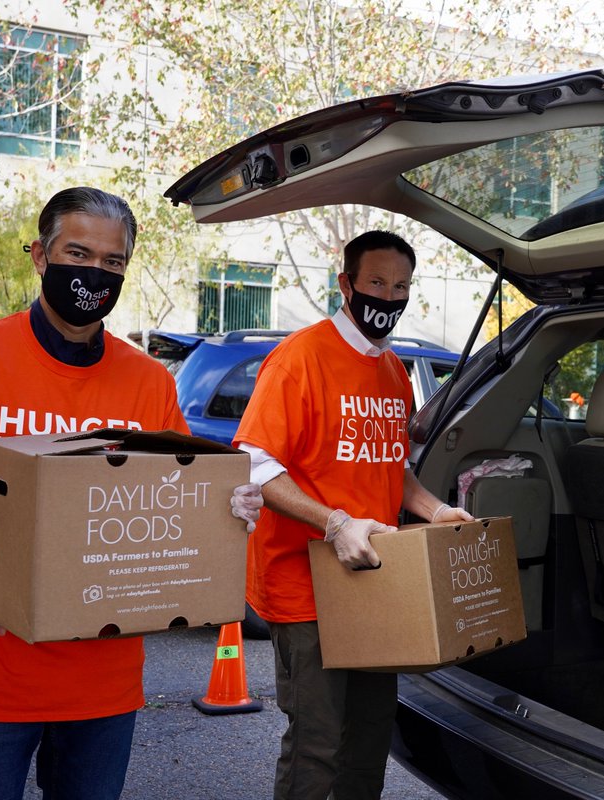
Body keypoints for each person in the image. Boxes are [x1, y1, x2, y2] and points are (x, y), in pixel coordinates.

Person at [0, 187, 262, 800]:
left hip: (105, 683)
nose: (95, 274)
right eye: (79, 253)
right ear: (40, 257)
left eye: (113, 262)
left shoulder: (149, 381)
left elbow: (182, 498)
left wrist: (228, 509)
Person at [233, 230, 472, 800]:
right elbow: (253, 462)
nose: (388, 297)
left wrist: (435, 511)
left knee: (368, 738)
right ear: (346, 284)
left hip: (372, 580)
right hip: (303, 583)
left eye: (401, 287)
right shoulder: (300, 359)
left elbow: (394, 466)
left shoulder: (392, 371)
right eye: (376, 283)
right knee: (318, 741)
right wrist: (334, 522)